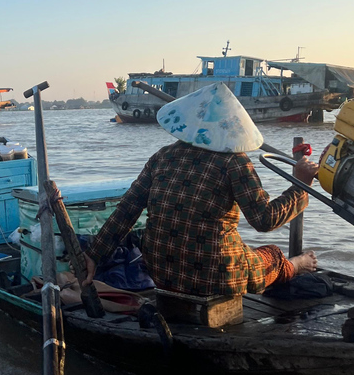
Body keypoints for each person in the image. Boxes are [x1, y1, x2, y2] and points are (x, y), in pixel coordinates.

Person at [83, 82, 318, 297]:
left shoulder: (162, 157)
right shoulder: (234, 162)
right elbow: (264, 219)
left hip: (161, 270)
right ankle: (298, 264)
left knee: (242, 249)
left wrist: (94, 254)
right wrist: (301, 186)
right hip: (216, 276)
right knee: (273, 256)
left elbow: (127, 210)